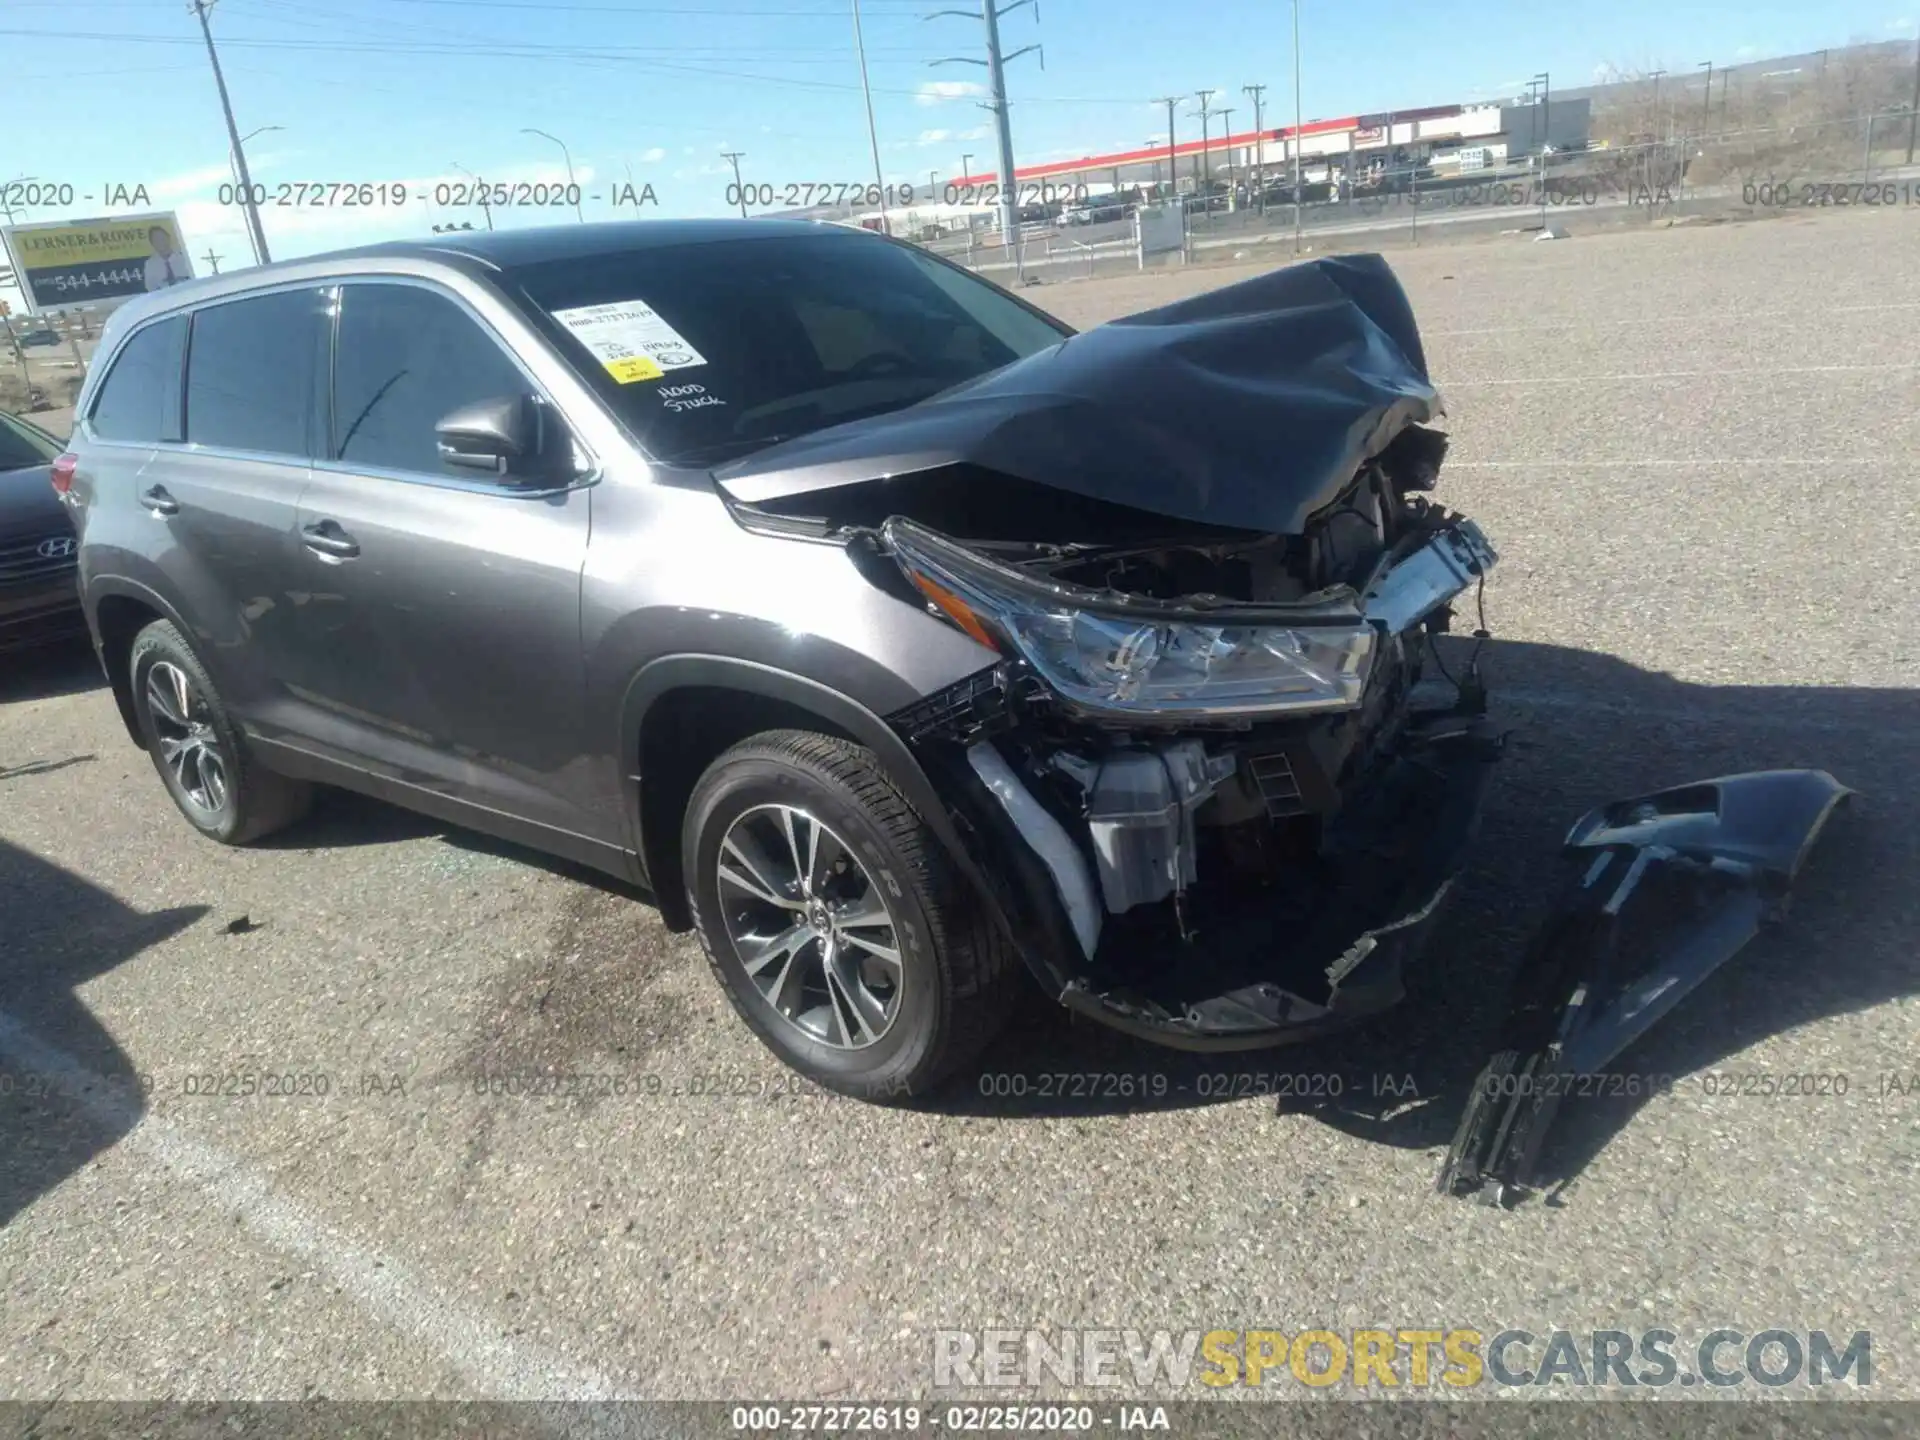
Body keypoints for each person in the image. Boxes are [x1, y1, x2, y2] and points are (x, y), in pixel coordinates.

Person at [144, 226, 186, 291]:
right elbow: (150, 288)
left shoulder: (183, 258)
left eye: (162, 238)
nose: (160, 242)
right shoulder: (150, 264)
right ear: (152, 243)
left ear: (168, 238)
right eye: (156, 240)